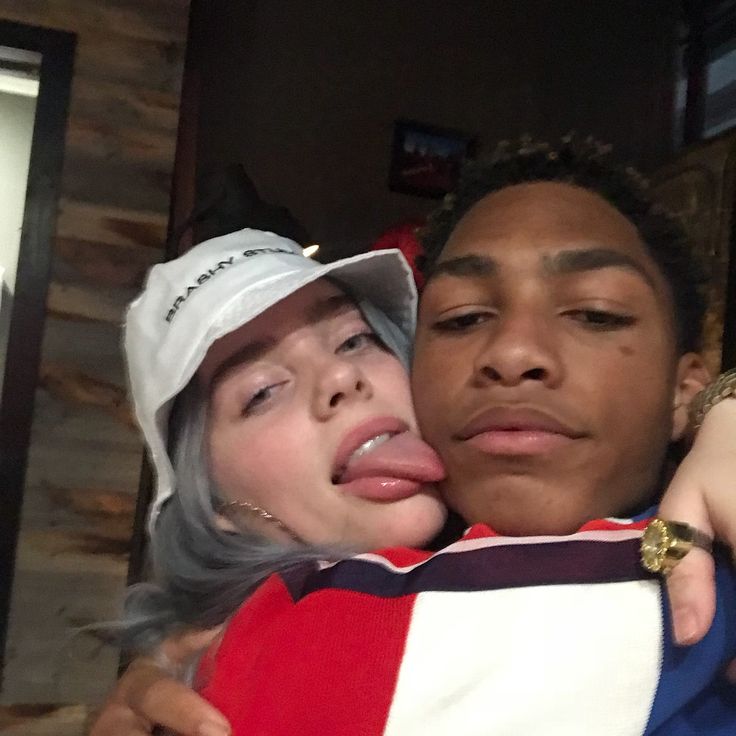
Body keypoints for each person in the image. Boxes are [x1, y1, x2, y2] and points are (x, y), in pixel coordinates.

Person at [91, 137, 736, 736]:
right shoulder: (249, 659)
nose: (512, 353)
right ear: (213, 504)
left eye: (356, 340)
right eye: (463, 318)